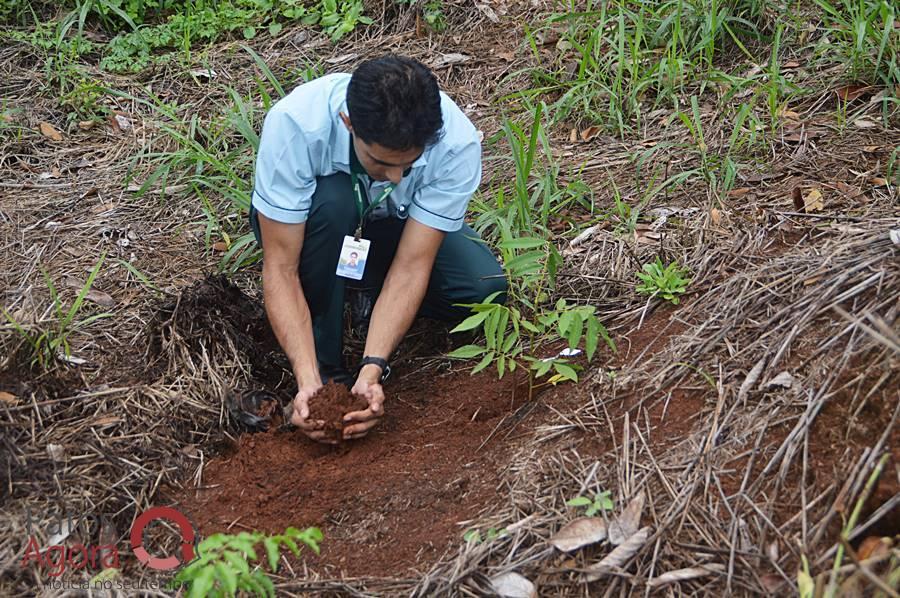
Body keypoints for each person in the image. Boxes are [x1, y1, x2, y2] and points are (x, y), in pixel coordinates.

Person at [249, 55, 507, 443]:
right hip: (319, 225)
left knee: (481, 287)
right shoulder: (296, 125)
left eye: (409, 164)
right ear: (349, 123)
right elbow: (280, 267)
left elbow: (412, 265)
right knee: (336, 202)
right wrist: (308, 379)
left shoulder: (455, 142)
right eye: (382, 162)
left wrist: (372, 368)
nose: (397, 177)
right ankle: (324, 368)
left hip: (394, 228)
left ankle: (362, 291)